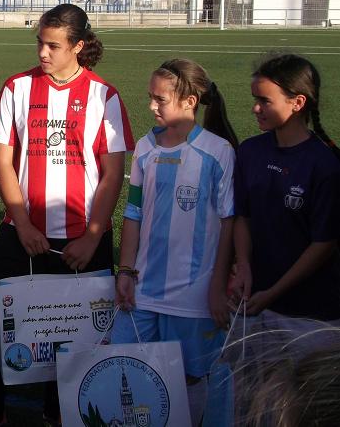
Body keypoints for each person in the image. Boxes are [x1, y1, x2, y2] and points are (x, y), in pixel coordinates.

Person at [0, 3, 134, 426]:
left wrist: (94, 237)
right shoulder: (16, 88)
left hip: (81, 238)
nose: (42, 52)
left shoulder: (104, 95)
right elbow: (2, 160)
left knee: (77, 332)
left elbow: (113, 174)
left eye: (53, 45)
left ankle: (59, 415)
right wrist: (21, 223)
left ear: (78, 46)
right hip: (20, 231)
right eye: (40, 42)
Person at [112, 59, 238, 426]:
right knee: (127, 367)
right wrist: (125, 271)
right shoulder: (146, 148)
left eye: (160, 99)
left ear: (190, 101)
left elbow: (230, 223)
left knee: (192, 379)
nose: (152, 106)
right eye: (150, 97)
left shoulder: (218, 152)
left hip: (194, 295)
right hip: (143, 288)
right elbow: (133, 214)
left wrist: (216, 287)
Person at [231, 54, 340, 321]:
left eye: (265, 101)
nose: (255, 108)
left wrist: (273, 293)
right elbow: (242, 216)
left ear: (298, 103)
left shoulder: (325, 164)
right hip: (254, 299)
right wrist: (243, 264)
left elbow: (323, 243)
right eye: (255, 99)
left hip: (310, 311)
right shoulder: (250, 151)